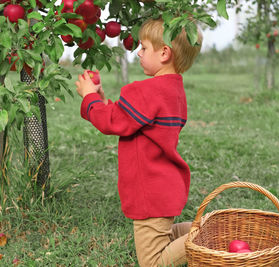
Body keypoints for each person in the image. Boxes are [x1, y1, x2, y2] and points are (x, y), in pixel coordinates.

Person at [75, 18, 202, 267]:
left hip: (150, 191)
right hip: (163, 185)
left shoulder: (146, 91)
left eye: (143, 48)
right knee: (162, 239)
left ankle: (205, 238)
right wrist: (101, 100)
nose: (138, 52)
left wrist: (90, 97)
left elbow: (112, 123)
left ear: (164, 53)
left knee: (152, 262)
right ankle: (205, 228)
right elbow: (128, 119)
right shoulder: (174, 90)